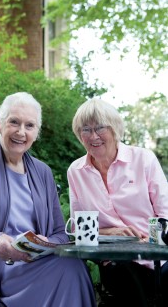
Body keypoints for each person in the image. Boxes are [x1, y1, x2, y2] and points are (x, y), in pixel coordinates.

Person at [0, 92, 97, 307]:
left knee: (74, 267)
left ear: (37, 133)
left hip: (37, 261)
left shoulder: (43, 172)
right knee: (70, 270)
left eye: (29, 125)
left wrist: (45, 243)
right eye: (13, 122)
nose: (21, 132)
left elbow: (60, 233)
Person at [67, 97, 168, 307]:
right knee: (122, 274)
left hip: (157, 259)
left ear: (115, 129)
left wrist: (149, 243)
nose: (93, 136)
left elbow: (164, 214)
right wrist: (111, 232)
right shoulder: (76, 172)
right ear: (79, 135)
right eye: (85, 129)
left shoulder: (143, 159)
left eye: (100, 128)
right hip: (115, 262)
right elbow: (79, 229)